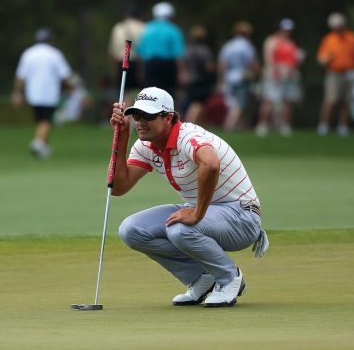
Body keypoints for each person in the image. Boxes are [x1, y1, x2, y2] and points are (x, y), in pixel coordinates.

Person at [110, 87, 269, 308]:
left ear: (168, 118)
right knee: (131, 230)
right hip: (208, 213)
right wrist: (123, 137)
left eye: (148, 116)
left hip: (241, 216)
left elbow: (211, 164)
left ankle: (229, 278)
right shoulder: (145, 145)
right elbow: (119, 187)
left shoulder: (188, 136)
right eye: (137, 116)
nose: (141, 122)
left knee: (180, 229)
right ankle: (201, 278)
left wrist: (196, 213)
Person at [11, 28, 73, 158]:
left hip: (32, 93)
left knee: (41, 120)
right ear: (50, 40)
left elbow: (20, 76)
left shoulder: (28, 53)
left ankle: (43, 149)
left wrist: (17, 93)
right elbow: (65, 75)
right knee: (46, 120)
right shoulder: (55, 54)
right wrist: (72, 87)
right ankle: (37, 143)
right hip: (49, 93)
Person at [316, 12, 354, 137]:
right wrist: (327, 59)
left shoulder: (353, 38)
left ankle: (343, 126)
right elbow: (321, 58)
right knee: (331, 100)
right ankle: (324, 125)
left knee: (347, 101)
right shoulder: (329, 39)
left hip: (350, 73)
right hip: (334, 74)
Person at [256, 19, 303, 137]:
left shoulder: (290, 43)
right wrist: (275, 71)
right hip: (275, 74)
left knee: (287, 101)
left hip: (289, 74)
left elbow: (293, 60)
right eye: (285, 30)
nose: (287, 32)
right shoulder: (272, 40)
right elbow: (269, 57)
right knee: (269, 100)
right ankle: (263, 124)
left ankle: (284, 125)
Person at [135, 2, 185, 101]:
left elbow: (140, 53)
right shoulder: (173, 29)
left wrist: (141, 71)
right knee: (168, 95)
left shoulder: (146, 28)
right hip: (167, 66)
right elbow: (178, 54)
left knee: (149, 95)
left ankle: (149, 115)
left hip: (150, 65)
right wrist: (181, 73)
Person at [218, 21, 260, 131]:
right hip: (242, 77)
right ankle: (229, 126)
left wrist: (221, 79)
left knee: (233, 102)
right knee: (239, 104)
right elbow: (252, 62)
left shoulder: (228, 45)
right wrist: (259, 73)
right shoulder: (247, 45)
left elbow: (223, 64)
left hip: (229, 77)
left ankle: (243, 126)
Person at [180, 25, 216, 125]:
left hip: (189, 81)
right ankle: (188, 124)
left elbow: (182, 65)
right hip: (201, 81)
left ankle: (198, 126)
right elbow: (210, 67)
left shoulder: (187, 50)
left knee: (193, 104)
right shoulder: (205, 50)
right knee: (197, 104)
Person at [108, 7, 145, 92]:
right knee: (138, 93)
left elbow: (112, 51)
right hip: (137, 64)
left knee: (123, 92)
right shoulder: (143, 27)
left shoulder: (118, 27)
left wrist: (114, 71)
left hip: (121, 63)